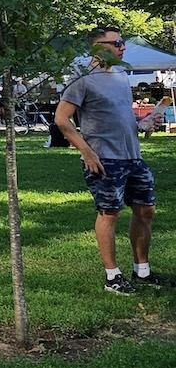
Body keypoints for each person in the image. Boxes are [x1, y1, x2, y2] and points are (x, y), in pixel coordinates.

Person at [54, 26, 165, 293]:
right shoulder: (83, 78)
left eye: (122, 42)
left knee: (146, 210)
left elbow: (122, 115)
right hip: (104, 158)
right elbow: (61, 119)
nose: (122, 47)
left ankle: (142, 271)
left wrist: (145, 122)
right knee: (110, 213)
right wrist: (87, 152)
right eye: (116, 43)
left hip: (133, 156)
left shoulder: (119, 74)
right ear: (97, 47)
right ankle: (112, 277)